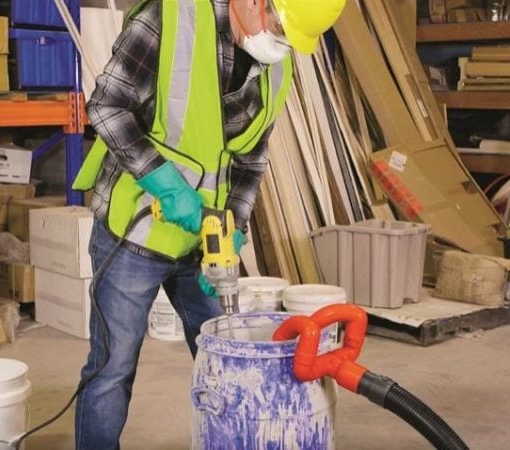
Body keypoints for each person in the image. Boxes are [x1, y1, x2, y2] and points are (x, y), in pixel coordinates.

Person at [71, 0, 346, 447]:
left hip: (203, 239)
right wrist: (166, 186)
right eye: (281, 28)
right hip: (135, 230)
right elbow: (106, 107)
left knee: (230, 355)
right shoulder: (171, 16)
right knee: (112, 369)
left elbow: (251, 160)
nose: (281, 44)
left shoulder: (275, 67)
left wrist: (234, 227)